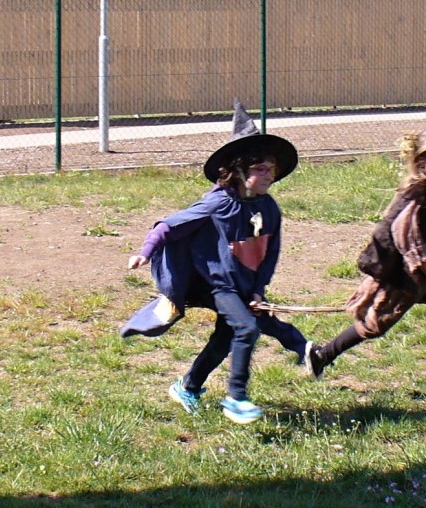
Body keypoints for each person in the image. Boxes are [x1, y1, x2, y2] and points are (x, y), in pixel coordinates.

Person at [122, 100, 309, 424]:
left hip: (245, 286)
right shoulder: (218, 204)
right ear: (239, 170)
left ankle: (188, 387)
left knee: (225, 338)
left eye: (271, 169)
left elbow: (270, 253)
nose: (269, 175)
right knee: (246, 329)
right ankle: (237, 397)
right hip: (219, 285)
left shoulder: (269, 208)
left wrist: (259, 289)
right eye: (260, 169)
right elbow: (169, 226)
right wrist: (146, 251)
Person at [305, 126, 426, 399]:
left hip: (422, 272)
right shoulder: (419, 192)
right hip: (401, 274)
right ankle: (321, 355)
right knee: (375, 325)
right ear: (423, 160)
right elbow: (405, 237)